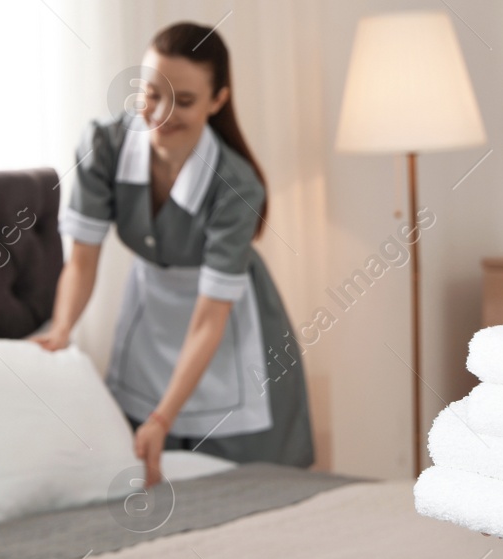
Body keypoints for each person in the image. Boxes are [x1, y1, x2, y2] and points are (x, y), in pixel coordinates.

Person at [33, 22, 314, 487]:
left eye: (183, 101)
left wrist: (162, 418)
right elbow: (82, 259)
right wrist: (63, 328)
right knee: (138, 473)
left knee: (251, 490)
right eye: (150, 94)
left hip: (227, 325)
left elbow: (209, 319)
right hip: (151, 310)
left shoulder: (237, 186)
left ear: (217, 100)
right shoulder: (103, 146)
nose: (161, 114)